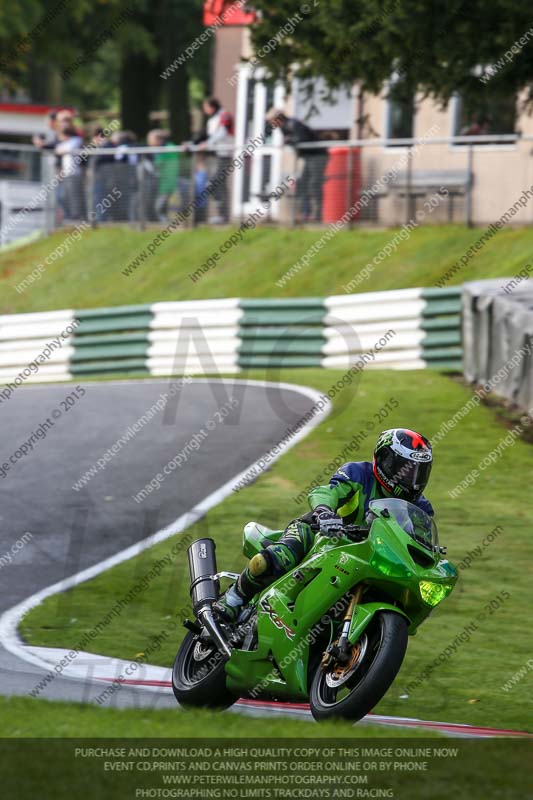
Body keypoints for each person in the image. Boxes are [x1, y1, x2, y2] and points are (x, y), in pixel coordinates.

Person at [215, 428, 434, 622]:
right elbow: (326, 492)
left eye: (419, 472)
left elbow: (421, 542)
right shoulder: (359, 473)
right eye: (404, 469)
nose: (412, 480)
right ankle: (232, 600)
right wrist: (323, 511)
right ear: (385, 460)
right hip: (323, 534)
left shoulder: (422, 508)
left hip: (369, 558)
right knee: (273, 559)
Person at [265, 108, 327, 223]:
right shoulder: (284, 128)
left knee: (314, 184)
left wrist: (289, 141)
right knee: (302, 184)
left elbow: (301, 139)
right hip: (308, 157)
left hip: (318, 156)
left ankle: (318, 215)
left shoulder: (293, 124)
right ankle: (306, 213)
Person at [196, 97, 234, 223]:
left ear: (212, 107)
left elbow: (222, 132)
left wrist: (208, 143)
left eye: (206, 107)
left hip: (225, 155)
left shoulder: (225, 115)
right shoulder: (212, 120)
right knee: (219, 185)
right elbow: (204, 135)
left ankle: (224, 215)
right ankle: (223, 215)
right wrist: (192, 142)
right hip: (216, 156)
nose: (205, 110)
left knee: (214, 184)